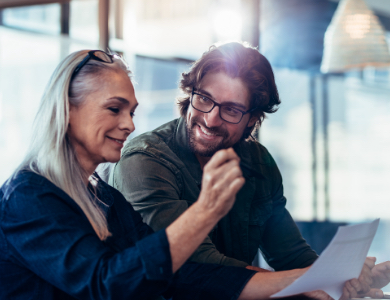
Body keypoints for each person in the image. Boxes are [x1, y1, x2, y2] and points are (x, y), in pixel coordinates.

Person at [0, 49, 343, 300]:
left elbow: (182, 274)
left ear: (252, 120)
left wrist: (316, 280)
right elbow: (107, 284)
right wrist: (206, 211)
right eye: (114, 109)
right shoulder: (29, 196)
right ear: (67, 109)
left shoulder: (103, 196)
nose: (129, 124)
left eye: (132, 112)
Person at [109, 41, 317, 270]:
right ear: (190, 94)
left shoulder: (258, 162)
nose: (210, 120)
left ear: (252, 119)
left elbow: (292, 256)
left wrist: (341, 276)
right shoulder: (145, 161)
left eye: (231, 110)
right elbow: (198, 268)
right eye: (204, 99)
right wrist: (302, 282)